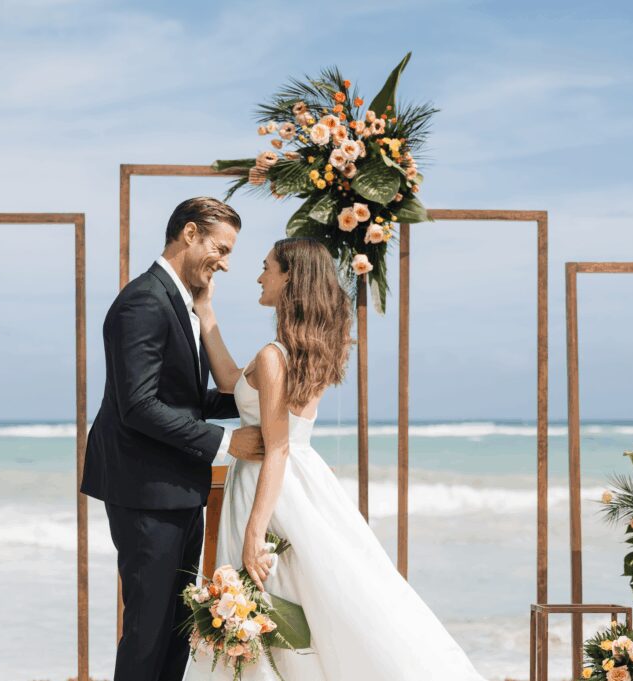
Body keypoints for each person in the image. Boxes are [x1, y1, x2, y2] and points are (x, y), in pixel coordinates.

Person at [183, 237, 489, 680]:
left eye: (266, 266)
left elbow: (278, 446)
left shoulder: (274, 357)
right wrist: (206, 312)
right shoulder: (308, 352)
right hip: (301, 484)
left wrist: (253, 530)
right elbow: (232, 382)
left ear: (289, 276)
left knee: (278, 603)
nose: (258, 275)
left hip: (270, 487)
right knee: (308, 604)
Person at [81, 197, 266, 681]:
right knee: (146, 629)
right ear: (189, 233)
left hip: (178, 489)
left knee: (178, 625)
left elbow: (182, 397)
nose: (224, 263)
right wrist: (228, 443)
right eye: (221, 249)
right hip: (145, 491)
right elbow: (138, 405)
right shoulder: (143, 300)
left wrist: (257, 400)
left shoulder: (181, 301)